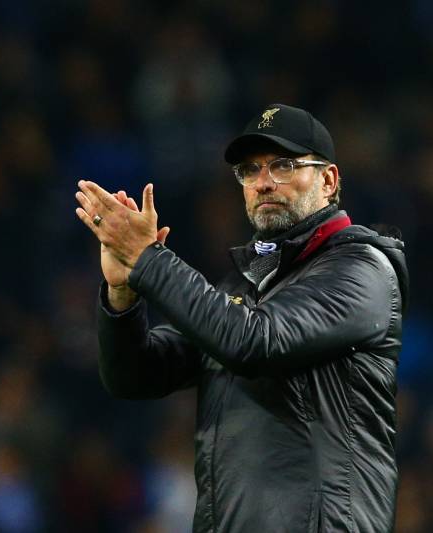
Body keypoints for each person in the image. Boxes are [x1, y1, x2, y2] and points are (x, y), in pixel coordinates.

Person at [75, 103, 409, 532]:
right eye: (249, 171)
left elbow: (252, 342)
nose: (263, 183)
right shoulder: (244, 287)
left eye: (283, 166)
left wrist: (149, 259)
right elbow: (134, 377)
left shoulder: (362, 270)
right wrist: (123, 293)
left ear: (328, 180)